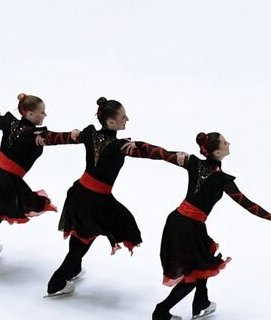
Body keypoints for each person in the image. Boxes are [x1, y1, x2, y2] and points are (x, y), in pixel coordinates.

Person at [46, 97, 187, 295]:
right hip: (95, 201)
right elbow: (149, 152)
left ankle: (74, 268)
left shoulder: (89, 134)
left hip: (79, 193)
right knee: (85, 238)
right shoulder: (119, 146)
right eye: (123, 117)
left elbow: (61, 137)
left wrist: (39, 136)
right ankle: (56, 283)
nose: (127, 119)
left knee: (81, 233)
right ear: (110, 122)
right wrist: (176, 157)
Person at [151, 132, 271, 320]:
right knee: (192, 275)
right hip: (187, 227)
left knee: (205, 260)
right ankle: (161, 313)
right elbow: (248, 204)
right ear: (217, 152)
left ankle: (201, 303)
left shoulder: (193, 162)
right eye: (225, 143)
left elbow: (162, 153)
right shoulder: (222, 179)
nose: (229, 144)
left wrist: (132, 147)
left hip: (180, 221)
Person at [0, 93, 80, 274]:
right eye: (41, 112)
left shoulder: (8, 122)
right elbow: (57, 138)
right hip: (2, 181)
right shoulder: (35, 134)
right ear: (28, 114)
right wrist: (79, 137)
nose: (45, 116)